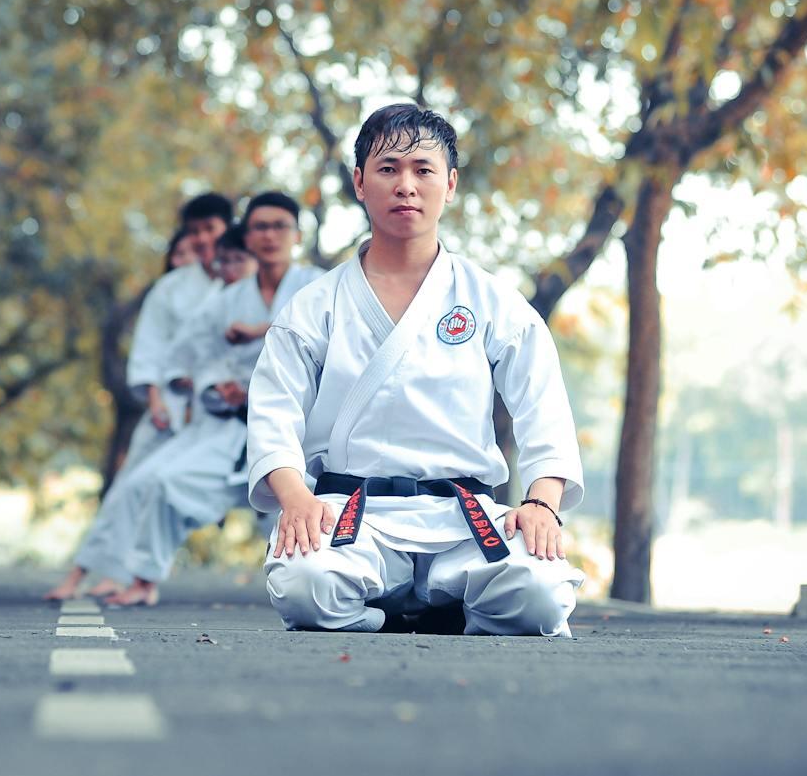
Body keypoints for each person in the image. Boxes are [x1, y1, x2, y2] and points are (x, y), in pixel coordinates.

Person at [249, 104, 585, 636]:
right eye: (388, 169)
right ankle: (401, 617)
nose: (406, 184)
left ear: (449, 184)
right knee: (304, 585)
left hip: (464, 519)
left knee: (541, 595)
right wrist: (295, 499)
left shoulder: (493, 301)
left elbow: (544, 411)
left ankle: (445, 605)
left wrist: (542, 502)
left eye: (423, 170)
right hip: (350, 516)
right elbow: (273, 413)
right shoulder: (315, 307)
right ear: (360, 183)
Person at [100, 195, 323, 606]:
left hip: (303, 434)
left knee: (321, 512)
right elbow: (184, 358)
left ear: (297, 234)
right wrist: (215, 387)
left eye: (280, 226)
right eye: (260, 227)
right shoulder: (225, 302)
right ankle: (143, 581)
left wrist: (260, 330)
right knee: (163, 483)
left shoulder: (319, 287)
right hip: (234, 429)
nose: (270, 235)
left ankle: (328, 583)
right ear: (246, 236)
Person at [44, 193, 231, 602]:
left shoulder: (244, 281)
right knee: (130, 488)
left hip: (227, 415)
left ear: (227, 228)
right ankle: (94, 573)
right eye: (194, 231)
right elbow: (149, 349)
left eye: (210, 229)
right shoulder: (171, 287)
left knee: (170, 488)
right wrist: (155, 399)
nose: (201, 239)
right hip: (170, 406)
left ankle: (136, 576)